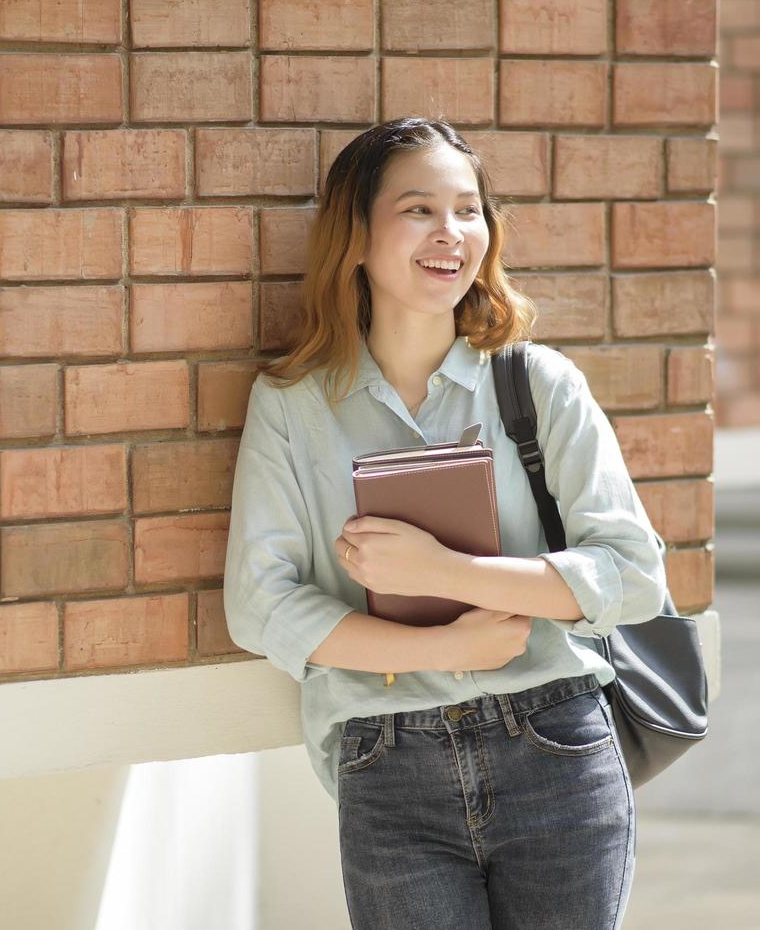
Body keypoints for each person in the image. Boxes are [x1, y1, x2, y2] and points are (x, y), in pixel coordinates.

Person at [222, 118, 671, 930]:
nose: (450, 234)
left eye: (469, 211)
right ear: (354, 236)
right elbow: (261, 606)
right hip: (386, 766)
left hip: (556, 750)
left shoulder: (538, 383)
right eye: (419, 209)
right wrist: (443, 649)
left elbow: (634, 575)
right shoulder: (292, 405)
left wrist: (443, 574)